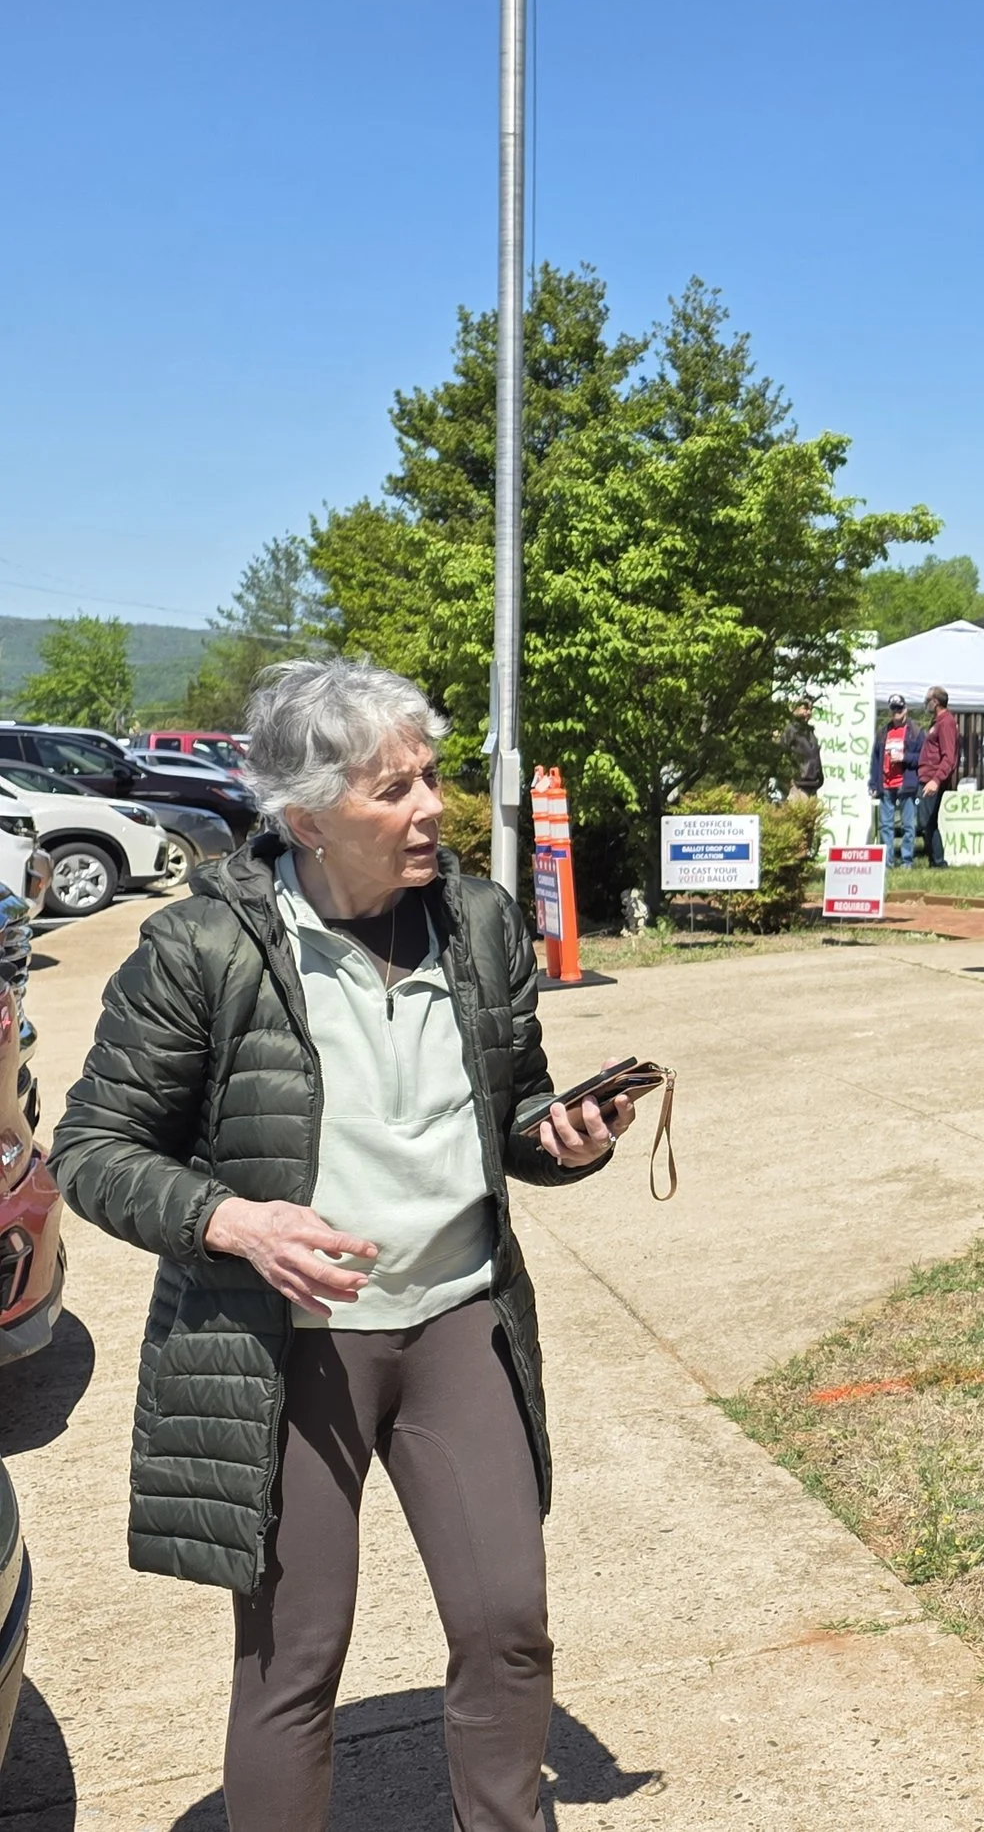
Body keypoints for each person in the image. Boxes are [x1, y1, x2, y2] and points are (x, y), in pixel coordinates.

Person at [50, 658, 637, 1832]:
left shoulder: (477, 921)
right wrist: (232, 1219)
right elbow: (92, 1149)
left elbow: (508, 1108)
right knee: (293, 1661)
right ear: (307, 818)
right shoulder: (200, 951)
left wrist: (561, 1138)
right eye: (392, 790)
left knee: (506, 1624)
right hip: (289, 1343)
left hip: (457, 1315)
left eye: (430, 777)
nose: (431, 807)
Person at [871, 693, 923, 867]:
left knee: (908, 825)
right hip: (886, 784)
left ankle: (906, 861)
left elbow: (922, 758)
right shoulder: (883, 732)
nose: (896, 713)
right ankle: (887, 862)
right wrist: (873, 783)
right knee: (886, 826)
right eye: (893, 709)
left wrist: (904, 757)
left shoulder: (915, 731)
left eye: (899, 709)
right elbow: (875, 759)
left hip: (905, 784)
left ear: (905, 710)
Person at [917, 685, 959, 869]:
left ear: (935, 702)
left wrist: (936, 779)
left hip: (933, 779)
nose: (925, 703)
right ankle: (934, 861)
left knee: (927, 821)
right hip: (926, 777)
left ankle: (939, 862)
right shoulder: (936, 722)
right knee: (927, 820)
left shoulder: (946, 722)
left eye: (927, 700)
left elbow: (949, 756)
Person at [781, 696, 824, 796]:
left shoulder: (809, 731)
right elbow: (782, 755)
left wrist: (819, 777)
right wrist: (793, 777)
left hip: (812, 784)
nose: (809, 712)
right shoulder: (791, 730)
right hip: (799, 786)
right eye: (805, 708)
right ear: (795, 708)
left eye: (810, 709)